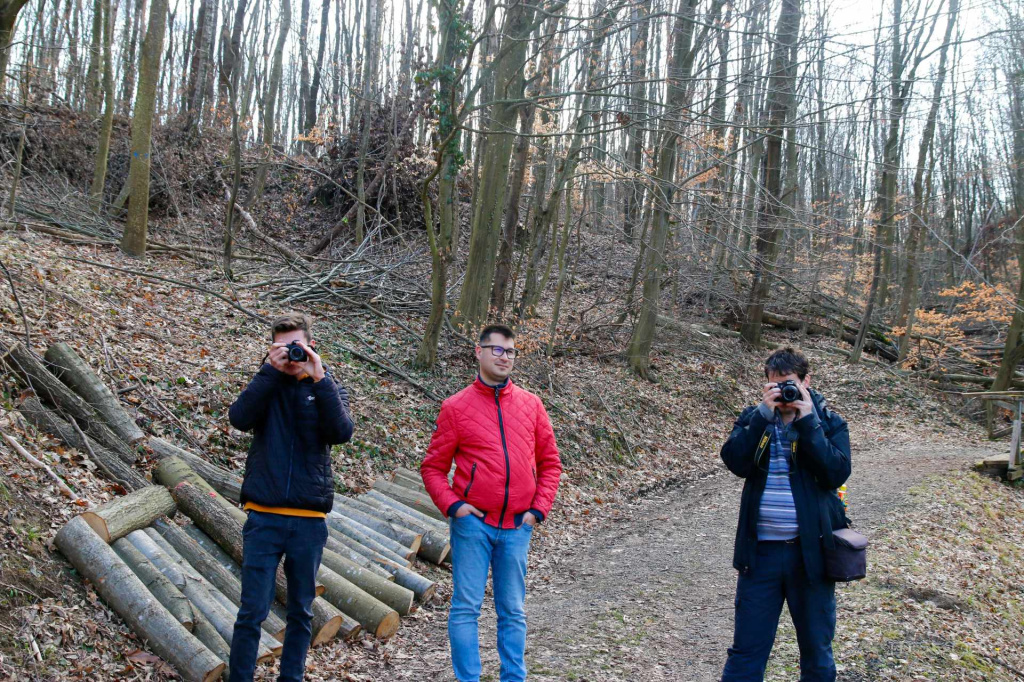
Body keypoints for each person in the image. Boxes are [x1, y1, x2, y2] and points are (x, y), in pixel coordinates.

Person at [421, 324, 563, 682]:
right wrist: (455, 508)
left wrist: (537, 511)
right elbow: (433, 468)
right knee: (465, 609)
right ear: (479, 352)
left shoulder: (531, 405)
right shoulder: (455, 407)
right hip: (473, 525)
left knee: (512, 611)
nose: (504, 357)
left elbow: (551, 463)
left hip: (517, 525)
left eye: (510, 351)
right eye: (497, 350)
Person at [226, 312, 354, 682]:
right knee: (252, 611)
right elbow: (239, 418)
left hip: (309, 521)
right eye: (283, 347)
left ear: (311, 345)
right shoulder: (266, 383)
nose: (291, 353)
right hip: (263, 516)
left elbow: (341, 432)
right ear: (272, 348)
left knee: (300, 612)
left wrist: (320, 379)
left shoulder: (328, 386)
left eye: (297, 346)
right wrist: (270, 371)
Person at [719, 347, 851, 682]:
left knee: (817, 653)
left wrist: (808, 424)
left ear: (806, 381)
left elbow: (836, 473)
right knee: (746, 652)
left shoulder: (828, 421)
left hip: (811, 556)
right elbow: (735, 462)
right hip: (759, 555)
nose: (783, 391)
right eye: (775, 384)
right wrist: (761, 416)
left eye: (789, 383)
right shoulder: (755, 418)